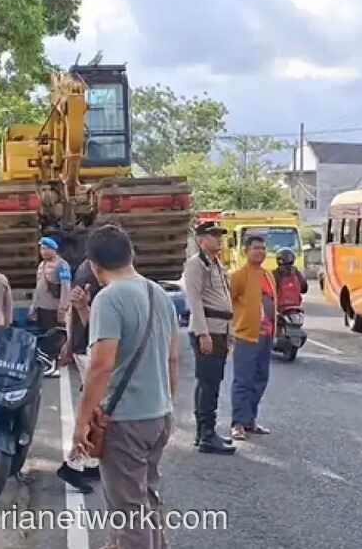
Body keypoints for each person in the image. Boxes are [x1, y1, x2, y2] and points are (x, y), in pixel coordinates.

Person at [73, 224, 179, 549]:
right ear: (131, 254)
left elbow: (101, 365)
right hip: (159, 414)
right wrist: (166, 403)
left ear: (94, 266)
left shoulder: (109, 299)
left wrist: (81, 422)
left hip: (125, 420)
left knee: (129, 512)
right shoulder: (159, 294)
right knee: (147, 497)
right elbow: (173, 358)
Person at [181, 220, 236, 455]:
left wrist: (230, 332)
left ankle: (204, 432)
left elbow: (225, 299)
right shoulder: (196, 264)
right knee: (208, 383)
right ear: (201, 240)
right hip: (209, 330)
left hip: (220, 329)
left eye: (219, 235)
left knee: (210, 382)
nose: (219, 239)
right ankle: (206, 434)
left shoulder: (215, 263)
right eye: (214, 235)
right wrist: (203, 333)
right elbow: (194, 300)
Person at [55, 259, 102, 493]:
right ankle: (73, 465)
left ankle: (90, 461)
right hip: (90, 346)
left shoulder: (86, 270)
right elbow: (77, 311)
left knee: (95, 407)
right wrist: (72, 343)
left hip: (87, 344)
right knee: (94, 407)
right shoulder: (91, 274)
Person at [228, 235, 277, 441]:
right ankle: (238, 423)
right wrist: (231, 330)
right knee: (243, 381)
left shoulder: (268, 275)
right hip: (246, 336)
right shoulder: (238, 276)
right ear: (246, 251)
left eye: (263, 248)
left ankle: (250, 420)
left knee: (260, 379)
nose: (260, 252)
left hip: (266, 336)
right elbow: (227, 303)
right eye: (256, 248)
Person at [29, 236, 72, 377]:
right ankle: (48, 363)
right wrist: (34, 306)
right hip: (43, 307)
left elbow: (66, 287)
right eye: (42, 249)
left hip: (55, 308)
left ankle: (56, 364)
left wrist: (63, 307)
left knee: (55, 336)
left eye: (46, 248)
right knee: (46, 337)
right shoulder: (42, 265)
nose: (43, 251)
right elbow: (38, 287)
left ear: (54, 249)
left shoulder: (62, 265)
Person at [272, 248, 308, 314]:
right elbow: (304, 289)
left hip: (280, 308)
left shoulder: (275, 273)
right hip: (296, 307)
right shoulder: (296, 272)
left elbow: (271, 290)